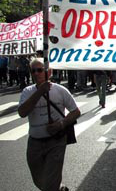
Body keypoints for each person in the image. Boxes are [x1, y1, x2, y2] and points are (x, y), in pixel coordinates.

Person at [18, 58, 80, 191]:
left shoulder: (60, 90)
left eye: (39, 70)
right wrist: (40, 91)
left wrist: (62, 124)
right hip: (35, 143)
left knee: (50, 184)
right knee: (39, 180)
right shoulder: (27, 92)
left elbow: (75, 112)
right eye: (33, 70)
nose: (36, 73)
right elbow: (22, 112)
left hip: (56, 141)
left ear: (49, 72)